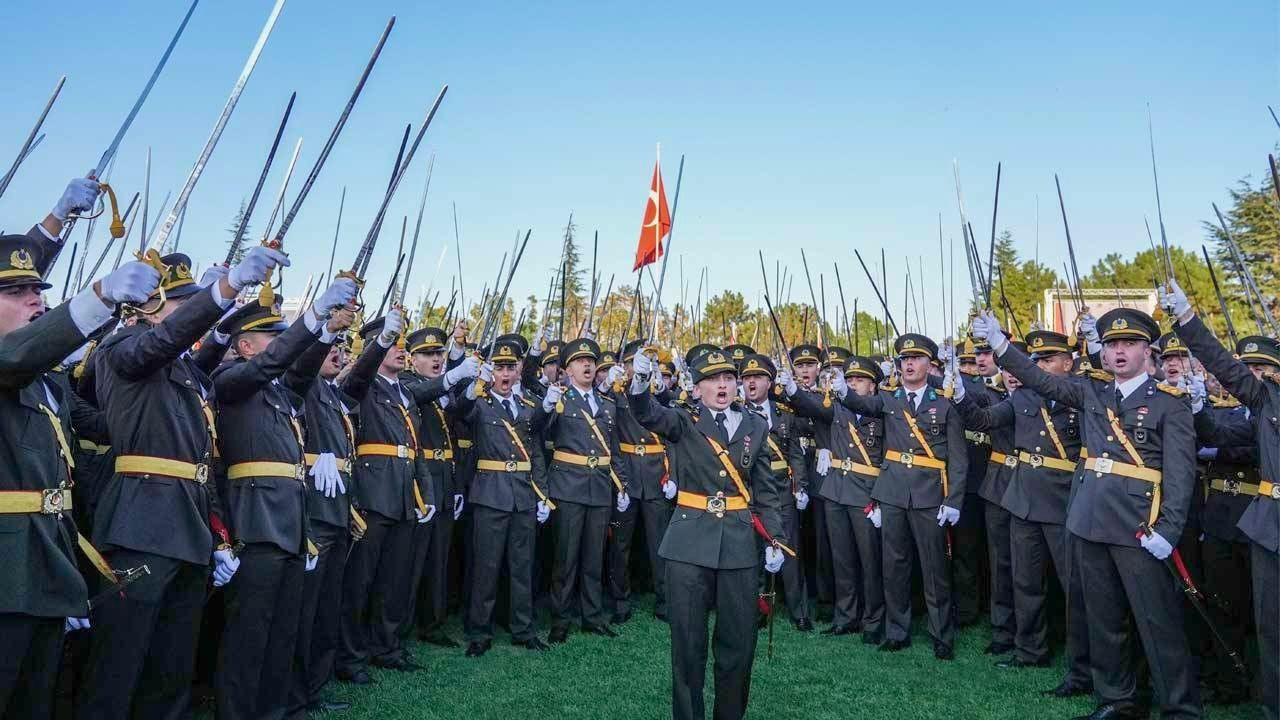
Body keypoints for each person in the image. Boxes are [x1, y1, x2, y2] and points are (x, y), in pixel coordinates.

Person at [80, 246, 286, 720]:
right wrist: (224, 291)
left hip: (188, 527)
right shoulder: (123, 348)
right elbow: (163, 341)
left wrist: (216, 536)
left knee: (171, 667)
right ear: (146, 307)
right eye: (183, 304)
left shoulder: (190, 375)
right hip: (142, 526)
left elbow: (202, 460)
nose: (192, 313)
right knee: (118, 665)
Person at [974, 307, 1200, 720]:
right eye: (1112, 344)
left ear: (1146, 351)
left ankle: (1180, 708)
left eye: (1129, 344)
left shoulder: (1170, 405)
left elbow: (1181, 476)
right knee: (1104, 617)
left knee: (1156, 621)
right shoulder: (1091, 391)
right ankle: (1117, 699)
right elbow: (1040, 378)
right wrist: (1001, 345)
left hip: (1139, 526)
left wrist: (1167, 528)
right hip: (1089, 519)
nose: (1118, 352)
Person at [0, 228, 160, 720]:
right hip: (6, 573)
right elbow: (17, 355)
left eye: (38, 291)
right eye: (15, 292)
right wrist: (98, 298)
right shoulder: (14, 363)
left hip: (45, 564)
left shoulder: (45, 384)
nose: (36, 301)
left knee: (34, 701)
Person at [211, 278, 357, 720]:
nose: (280, 345)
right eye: (272, 338)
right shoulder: (230, 378)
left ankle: (277, 710)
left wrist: (326, 331)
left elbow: (300, 367)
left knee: (282, 631)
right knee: (249, 635)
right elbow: (271, 366)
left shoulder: (277, 392)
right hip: (255, 521)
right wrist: (311, 319)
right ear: (247, 346)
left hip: (291, 522)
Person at [785, 333, 968, 659]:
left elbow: (958, 458)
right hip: (893, 492)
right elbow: (862, 404)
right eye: (904, 360)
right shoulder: (889, 399)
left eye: (916, 359)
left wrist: (953, 501)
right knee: (893, 566)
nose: (909, 364)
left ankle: (942, 634)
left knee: (934, 567)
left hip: (928, 494)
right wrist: (842, 391)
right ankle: (897, 631)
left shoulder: (945, 403)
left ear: (930, 364)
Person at [628, 349, 789, 720]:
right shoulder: (683, 420)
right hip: (688, 544)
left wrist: (774, 539)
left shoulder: (754, 425)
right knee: (687, 647)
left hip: (738, 545)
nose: (723, 385)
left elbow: (766, 490)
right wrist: (639, 382)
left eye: (729, 379)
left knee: (738, 646)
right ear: (696, 388)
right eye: (713, 379)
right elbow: (647, 413)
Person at [953, 331, 1094, 692]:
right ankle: (1030, 648)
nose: (1041, 366)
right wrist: (958, 397)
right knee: (1024, 580)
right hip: (1024, 499)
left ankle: (1085, 662)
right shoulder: (1024, 396)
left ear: (1069, 362)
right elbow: (984, 421)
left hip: (1066, 501)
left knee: (1075, 587)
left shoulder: (1084, 392)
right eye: (1038, 361)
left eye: (1049, 360)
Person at [1167, 278, 1279, 720]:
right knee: (1269, 627)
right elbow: (1226, 368)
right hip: (1270, 522)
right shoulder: (1268, 398)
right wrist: (1188, 319)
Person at [289, 317, 375, 718]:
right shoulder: (302, 385)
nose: (338, 352)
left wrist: (382, 343)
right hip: (312, 509)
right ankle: (294, 693)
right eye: (330, 346)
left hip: (337, 509)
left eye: (343, 346)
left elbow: (359, 381)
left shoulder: (333, 393)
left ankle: (313, 689)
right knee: (304, 612)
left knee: (326, 608)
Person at [453, 337, 551, 655]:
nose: (505, 374)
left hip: (522, 495)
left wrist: (543, 495)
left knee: (522, 565)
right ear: (491, 371)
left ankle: (523, 629)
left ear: (519, 370)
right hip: (489, 493)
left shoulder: (528, 407)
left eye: (510, 367)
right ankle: (479, 631)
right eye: (499, 367)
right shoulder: (480, 402)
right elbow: (459, 409)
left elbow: (535, 452)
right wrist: (473, 385)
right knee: (487, 565)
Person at [533, 338, 631, 643]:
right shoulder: (559, 398)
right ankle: (560, 619)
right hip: (568, 486)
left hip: (600, 487)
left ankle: (592, 617)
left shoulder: (607, 404)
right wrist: (546, 406)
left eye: (591, 360)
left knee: (593, 556)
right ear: (567, 369)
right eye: (579, 361)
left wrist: (622, 484)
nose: (587, 365)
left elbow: (613, 449)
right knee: (566, 557)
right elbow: (537, 431)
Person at [785, 354, 886, 643]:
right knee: (841, 559)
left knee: (870, 560)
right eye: (850, 379)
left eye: (860, 380)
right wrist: (792, 389)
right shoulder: (837, 408)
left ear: (873, 386)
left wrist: (879, 496)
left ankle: (873, 620)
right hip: (836, 490)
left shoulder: (880, 412)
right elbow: (809, 406)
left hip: (866, 490)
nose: (854, 384)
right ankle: (845, 616)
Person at [403, 326, 466, 648]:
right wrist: (452, 378)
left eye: (439, 354)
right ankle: (402, 626)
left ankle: (433, 623)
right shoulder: (406, 384)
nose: (436, 359)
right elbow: (420, 394)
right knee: (413, 560)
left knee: (438, 558)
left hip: (443, 478)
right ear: (412, 360)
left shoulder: (443, 391)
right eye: (428, 354)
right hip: (419, 479)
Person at [606, 339, 676, 623]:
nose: (641, 367)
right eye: (635, 362)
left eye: (649, 361)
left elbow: (674, 428)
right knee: (620, 543)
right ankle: (620, 601)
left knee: (660, 542)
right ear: (624, 366)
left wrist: (673, 474)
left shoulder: (659, 392)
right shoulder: (616, 393)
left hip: (656, 474)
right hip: (626, 473)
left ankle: (664, 600)